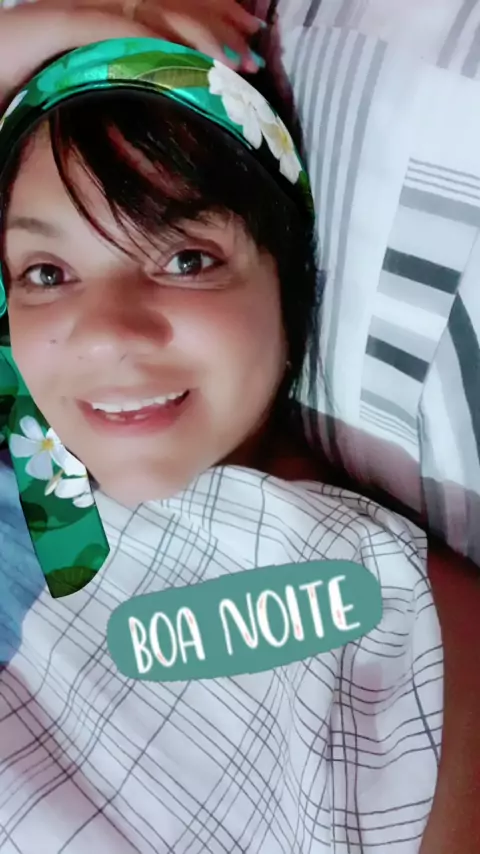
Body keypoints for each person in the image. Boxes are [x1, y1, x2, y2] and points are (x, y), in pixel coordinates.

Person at [0, 5, 478, 853]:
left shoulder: (407, 612)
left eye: (186, 260)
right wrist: (98, 17)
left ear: (288, 278)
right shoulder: (34, 463)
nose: (106, 334)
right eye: (47, 273)